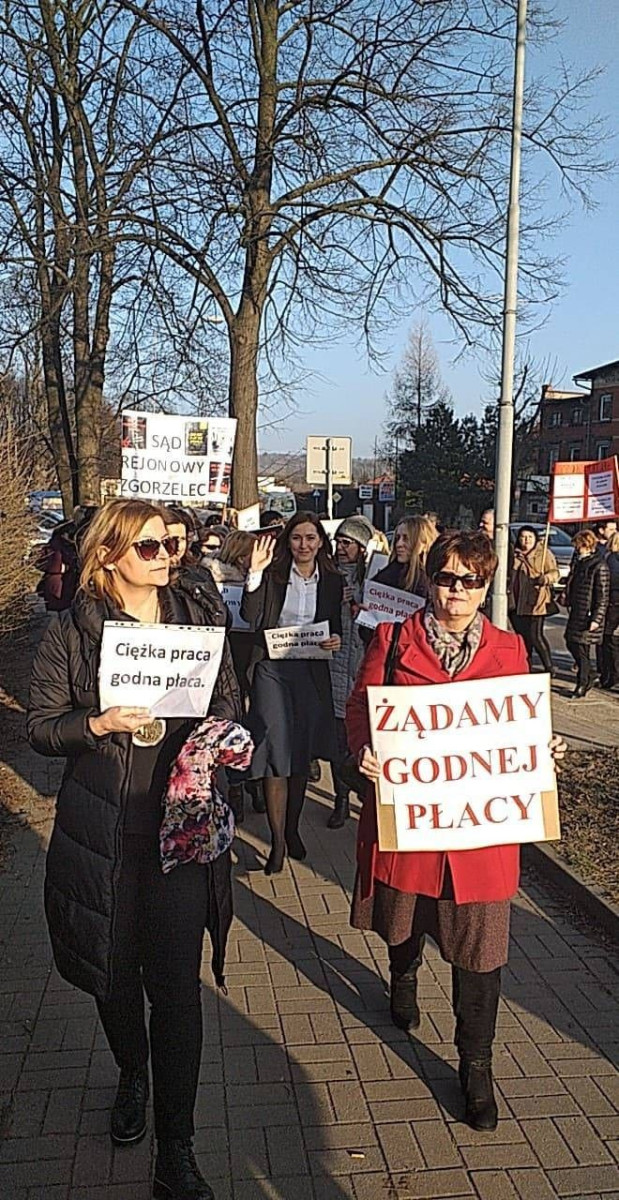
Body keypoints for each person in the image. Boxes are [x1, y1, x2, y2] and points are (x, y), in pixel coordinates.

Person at [27, 499, 241, 1200]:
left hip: (179, 838)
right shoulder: (73, 631)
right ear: (108, 555)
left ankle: (176, 1150)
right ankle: (132, 1074)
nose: (165, 556)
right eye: (148, 547)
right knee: (114, 978)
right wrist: (96, 723)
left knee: (177, 992)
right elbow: (41, 726)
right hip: (104, 835)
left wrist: (219, 737)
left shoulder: (199, 618)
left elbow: (230, 700)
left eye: (167, 546)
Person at [346, 530, 566, 1132]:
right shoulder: (394, 639)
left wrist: (540, 748)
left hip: (480, 836)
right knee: (403, 920)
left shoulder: (509, 647)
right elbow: (361, 705)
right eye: (446, 578)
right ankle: (403, 973)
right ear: (430, 580)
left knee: (481, 954)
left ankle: (476, 1065)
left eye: (471, 580)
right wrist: (364, 750)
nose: (457, 591)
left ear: (486, 585)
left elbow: (521, 721)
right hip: (413, 822)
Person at [241, 511, 343, 873]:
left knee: (300, 754)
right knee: (275, 751)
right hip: (272, 669)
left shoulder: (331, 580)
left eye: (311, 538)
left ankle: (293, 829)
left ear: (321, 542)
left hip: (310, 671)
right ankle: (277, 841)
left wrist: (335, 639)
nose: (304, 545)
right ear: (288, 541)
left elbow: (334, 624)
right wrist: (254, 574)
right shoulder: (272, 574)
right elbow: (251, 616)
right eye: (297, 538)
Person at [328, 515, 375, 828]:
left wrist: (361, 607)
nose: (341, 548)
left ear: (361, 547)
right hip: (333, 666)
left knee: (358, 739)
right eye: (339, 542)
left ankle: (359, 794)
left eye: (347, 543)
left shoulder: (373, 579)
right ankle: (340, 799)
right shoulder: (328, 574)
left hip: (360, 668)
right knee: (337, 740)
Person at [564, 530, 610, 698]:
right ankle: (589, 674)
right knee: (571, 642)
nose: (577, 549)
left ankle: (582, 682)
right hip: (578, 610)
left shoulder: (599, 566)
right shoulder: (579, 562)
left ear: (587, 546)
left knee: (581, 647)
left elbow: (603, 596)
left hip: (589, 613)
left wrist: (597, 618)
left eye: (580, 546)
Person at [508, 526, 559, 674]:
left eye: (530, 537)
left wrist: (546, 578)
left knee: (535, 635)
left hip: (536, 602)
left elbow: (555, 572)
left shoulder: (543, 553)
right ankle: (526, 667)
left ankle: (549, 666)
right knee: (523, 638)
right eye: (523, 537)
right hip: (516, 602)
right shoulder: (514, 554)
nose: (526, 540)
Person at [373, 515, 435, 595]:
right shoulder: (385, 576)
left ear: (424, 543)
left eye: (406, 539)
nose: (399, 544)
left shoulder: (434, 583)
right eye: (397, 538)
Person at [601, 531, 619, 689]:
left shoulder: (610, 559)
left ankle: (612, 675)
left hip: (613, 603)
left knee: (610, 640)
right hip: (613, 602)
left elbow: (610, 582)